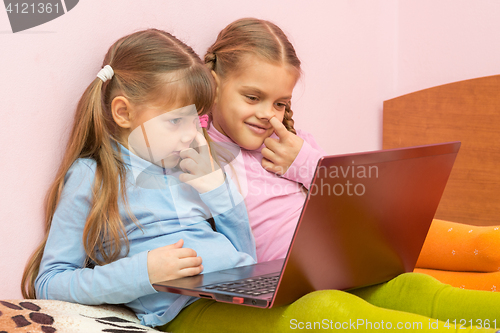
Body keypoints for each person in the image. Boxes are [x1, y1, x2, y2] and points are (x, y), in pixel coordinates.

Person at [162, 18, 500, 333]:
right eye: (253, 97)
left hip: (325, 272)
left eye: (280, 103)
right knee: (330, 309)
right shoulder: (192, 151)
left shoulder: (289, 144)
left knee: (412, 286)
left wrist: (306, 163)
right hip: (271, 286)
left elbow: (354, 207)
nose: (268, 114)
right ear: (213, 84)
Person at [21, 29, 256, 328]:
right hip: (188, 309)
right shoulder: (92, 176)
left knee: (327, 303)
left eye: (196, 120)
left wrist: (218, 190)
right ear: (123, 112)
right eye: (175, 121)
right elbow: (49, 282)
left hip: (239, 294)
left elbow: (248, 261)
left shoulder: (193, 164)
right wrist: (144, 273)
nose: (193, 135)